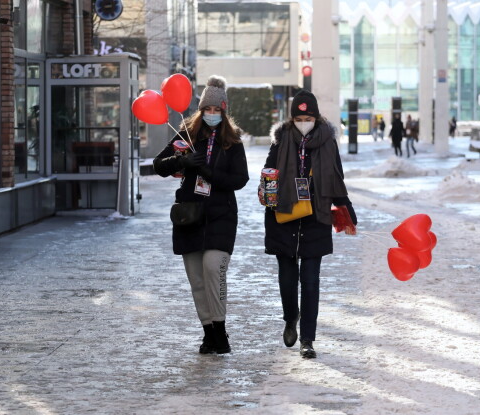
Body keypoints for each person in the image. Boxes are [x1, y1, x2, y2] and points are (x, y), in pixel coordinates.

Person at [153, 75, 249, 354]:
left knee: (213, 269)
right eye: (207, 109)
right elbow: (159, 165)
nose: (211, 114)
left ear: (224, 110)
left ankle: (220, 329)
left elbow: (240, 179)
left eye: (216, 110)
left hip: (221, 216)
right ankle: (208, 332)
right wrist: (181, 161)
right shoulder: (186, 133)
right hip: (190, 217)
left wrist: (210, 172)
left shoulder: (232, 141)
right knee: (196, 279)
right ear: (200, 109)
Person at [263, 90, 357, 359]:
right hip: (284, 216)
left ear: (316, 117)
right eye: (299, 117)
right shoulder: (281, 140)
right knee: (287, 280)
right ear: (291, 118)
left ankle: (307, 339)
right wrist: (266, 190)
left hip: (316, 217)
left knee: (311, 281)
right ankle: (291, 317)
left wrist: (346, 210)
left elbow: (336, 178)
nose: (304, 121)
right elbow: (269, 173)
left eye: (309, 117)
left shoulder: (328, 141)